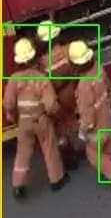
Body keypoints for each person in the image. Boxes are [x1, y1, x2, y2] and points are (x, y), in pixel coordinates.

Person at [3, 38, 67, 198]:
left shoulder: (13, 79)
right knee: (49, 148)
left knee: (23, 153)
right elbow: (51, 104)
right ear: (33, 57)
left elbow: (8, 103)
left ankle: (18, 185)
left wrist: (11, 116)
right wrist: (58, 115)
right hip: (41, 120)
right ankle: (57, 180)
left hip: (24, 122)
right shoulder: (41, 78)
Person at [68, 40, 111, 186]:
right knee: (110, 146)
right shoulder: (99, 68)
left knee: (93, 154)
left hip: (96, 128)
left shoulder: (83, 85)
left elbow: (87, 114)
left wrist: (83, 131)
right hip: (107, 118)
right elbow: (108, 86)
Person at [36, 21, 80, 170]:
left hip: (58, 96)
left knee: (61, 127)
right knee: (79, 119)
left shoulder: (42, 62)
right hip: (72, 91)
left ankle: (68, 156)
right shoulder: (67, 50)